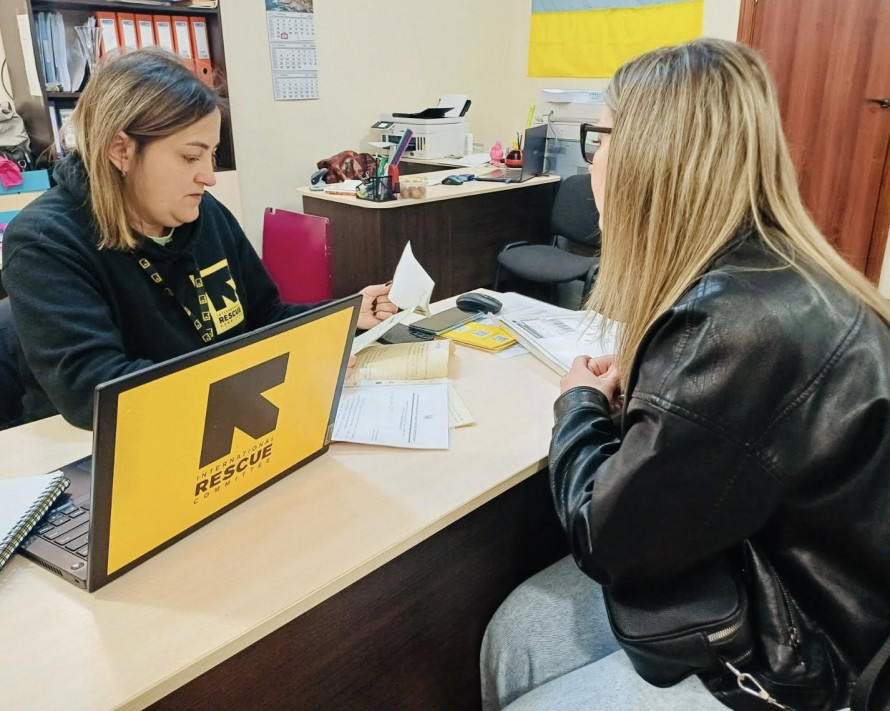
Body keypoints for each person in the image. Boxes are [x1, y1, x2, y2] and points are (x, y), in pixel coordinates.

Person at [481, 38, 890, 711]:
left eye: (600, 138)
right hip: (765, 570)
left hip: (803, 653)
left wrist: (578, 403)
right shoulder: (764, 276)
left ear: (650, 156)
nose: (593, 162)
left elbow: (607, 539)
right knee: (518, 633)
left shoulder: (731, 326)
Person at [2, 48, 396, 430]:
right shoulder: (45, 242)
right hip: (94, 446)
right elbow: (98, 392)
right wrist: (274, 370)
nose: (208, 176)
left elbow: (262, 318)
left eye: (212, 155)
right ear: (121, 150)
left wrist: (343, 316)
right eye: (191, 157)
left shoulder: (204, 212)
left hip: (220, 417)